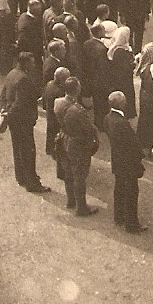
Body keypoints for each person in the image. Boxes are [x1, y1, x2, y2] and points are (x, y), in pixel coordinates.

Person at [0, 52, 50, 193]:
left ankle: (21, 177)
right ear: (25, 63)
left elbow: (3, 95)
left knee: (17, 149)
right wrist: (10, 113)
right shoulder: (23, 79)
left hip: (14, 120)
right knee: (28, 152)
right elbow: (20, 103)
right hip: (23, 120)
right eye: (32, 62)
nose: (34, 65)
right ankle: (32, 183)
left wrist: (4, 111)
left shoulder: (12, 74)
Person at [104, 91, 146, 232]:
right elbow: (133, 145)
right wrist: (140, 156)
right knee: (132, 192)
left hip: (117, 160)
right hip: (128, 163)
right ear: (122, 104)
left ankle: (119, 216)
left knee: (120, 188)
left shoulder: (108, 118)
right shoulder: (122, 123)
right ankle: (132, 224)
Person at [61, 77, 101, 216]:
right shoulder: (76, 110)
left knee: (68, 173)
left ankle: (71, 200)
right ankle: (81, 207)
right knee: (79, 176)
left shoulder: (59, 102)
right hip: (78, 145)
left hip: (65, 141)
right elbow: (88, 128)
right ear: (76, 90)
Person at [106, 26, 136, 118]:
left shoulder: (119, 48)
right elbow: (125, 68)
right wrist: (133, 64)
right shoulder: (120, 52)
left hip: (121, 79)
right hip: (123, 81)